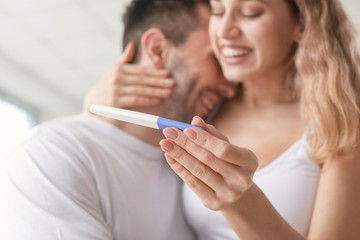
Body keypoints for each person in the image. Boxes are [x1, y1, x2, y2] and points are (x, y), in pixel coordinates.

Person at [84, 0, 360, 239]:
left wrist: (242, 203)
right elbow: (129, 145)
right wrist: (92, 105)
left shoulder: (339, 121)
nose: (225, 31)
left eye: (250, 13)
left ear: (301, 22)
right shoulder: (207, 107)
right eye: (217, 11)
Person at [0, 0, 236, 239]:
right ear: (157, 50)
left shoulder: (195, 163)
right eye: (216, 60)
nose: (231, 89)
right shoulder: (48, 155)